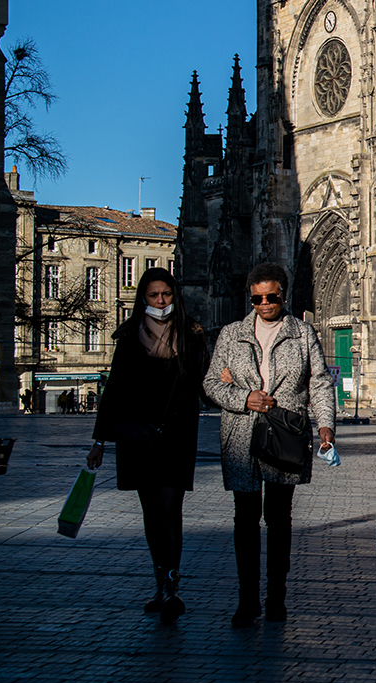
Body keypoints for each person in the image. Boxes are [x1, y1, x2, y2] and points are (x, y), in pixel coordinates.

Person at [203, 263, 336, 628]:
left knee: (279, 521)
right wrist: (244, 397)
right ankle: (247, 601)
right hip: (240, 438)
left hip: (285, 435)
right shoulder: (231, 335)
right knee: (244, 521)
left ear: (284, 295)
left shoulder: (302, 333)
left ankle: (276, 598)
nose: (264, 304)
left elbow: (320, 383)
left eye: (271, 297)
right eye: (257, 298)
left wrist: (326, 425)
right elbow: (212, 384)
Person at [85, 267, 210, 624]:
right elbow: (114, 392)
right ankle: (159, 582)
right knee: (151, 512)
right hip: (137, 436)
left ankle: (172, 585)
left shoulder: (190, 336)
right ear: (144, 298)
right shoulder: (129, 337)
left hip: (175, 435)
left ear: (175, 296)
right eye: (154, 295)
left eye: (166, 295)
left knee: (170, 507)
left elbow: (202, 385)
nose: (160, 301)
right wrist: (99, 441)